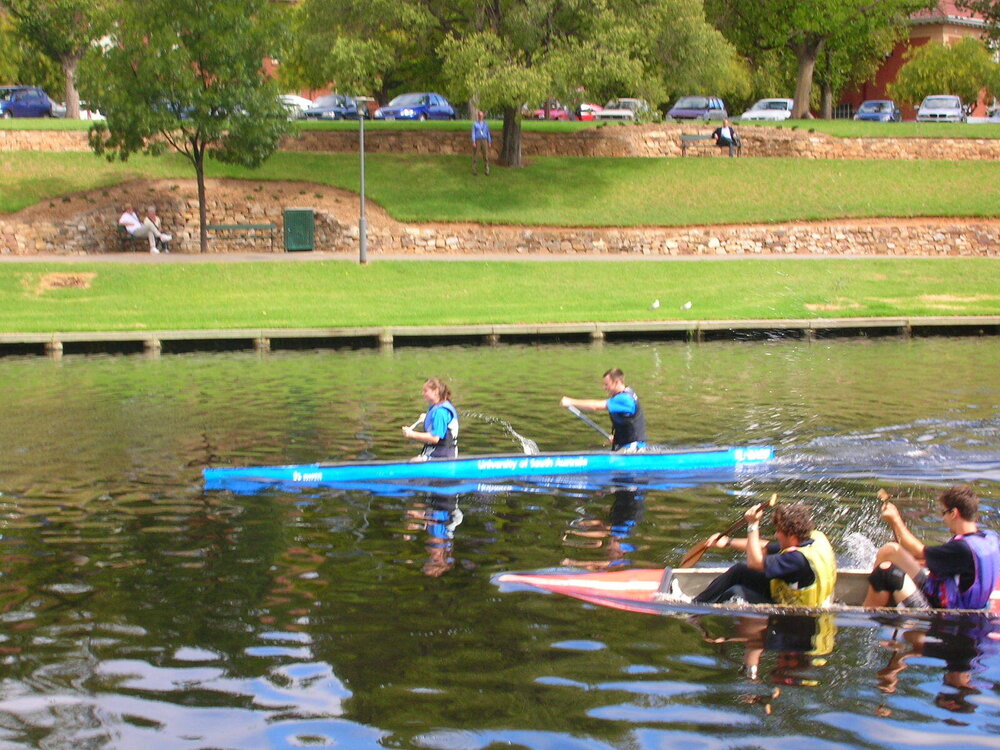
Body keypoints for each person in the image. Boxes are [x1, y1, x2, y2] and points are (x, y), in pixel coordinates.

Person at [863, 484, 1000, 610]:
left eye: (943, 513)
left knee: (884, 572)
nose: (943, 518)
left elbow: (918, 552)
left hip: (943, 613)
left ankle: (864, 617)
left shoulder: (963, 549)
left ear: (953, 513)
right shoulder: (990, 538)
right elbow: (934, 562)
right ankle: (874, 597)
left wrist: (895, 520)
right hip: (959, 600)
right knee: (890, 551)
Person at [691, 502, 837, 606]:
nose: (776, 534)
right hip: (805, 595)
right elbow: (765, 547)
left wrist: (753, 525)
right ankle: (696, 605)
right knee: (740, 570)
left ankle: (697, 611)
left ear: (792, 536)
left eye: (779, 531)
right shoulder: (814, 538)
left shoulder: (796, 559)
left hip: (795, 612)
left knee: (735, 592)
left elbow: (755, 563)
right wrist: (729, 541)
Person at [560, 368, 647, 452]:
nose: (604, 387)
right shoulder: (626, 392)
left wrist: (571, 402)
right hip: (627, 444)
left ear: (617, 382)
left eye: (606, 384)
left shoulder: (624, 399)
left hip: (634, 448)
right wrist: (618, 438)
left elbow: (595, 406)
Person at [402, 377, 459, 460]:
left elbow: (435, 438)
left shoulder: (441, 412)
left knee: (415, 462)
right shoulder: (436, 408)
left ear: (435, 391)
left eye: (425, 391)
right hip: (434, 452)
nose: (422, 393)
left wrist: (411, 434)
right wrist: (427, 418)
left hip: (443, 455)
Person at [471, 110, 491, 176]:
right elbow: (473, 133)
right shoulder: (475, 124)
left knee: (485, 155)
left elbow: (488, 133)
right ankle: (474, 170)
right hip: (477, 140)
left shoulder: (486, 124)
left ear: (483, 116)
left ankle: (487, 170)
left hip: (484, 140)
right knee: (476, 155)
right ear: (478, 116)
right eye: (479, 115)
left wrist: (489, 141)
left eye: (481, 115)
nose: (480, 116)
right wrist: (473, 141)